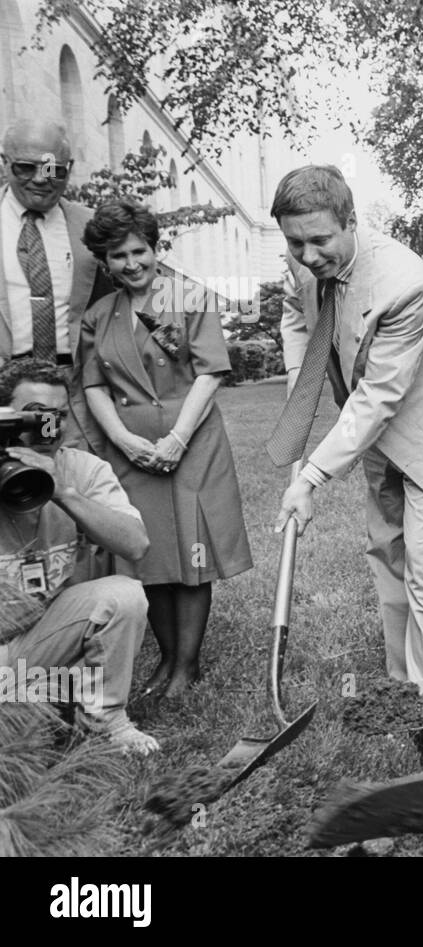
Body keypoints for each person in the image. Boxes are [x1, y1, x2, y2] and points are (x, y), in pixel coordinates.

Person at [267, 166, 423, 684]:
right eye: (296, 243)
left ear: (351, 222)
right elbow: (297, 319)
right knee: (388, 557)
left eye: (319, 240)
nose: (308, 255)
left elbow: (380, 396)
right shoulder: (305, 261)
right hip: (372, 435)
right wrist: (303, 392)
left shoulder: (402, 282)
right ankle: (402, 685)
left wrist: (311, 477)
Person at [79, 200, 253, 697]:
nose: (131, 263)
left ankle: (188, 665)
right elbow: (93, 386)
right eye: (118, 256)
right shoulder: (99, 315)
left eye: (139, 251)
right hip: (132, 447)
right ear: (104, 261)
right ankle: (167, 661)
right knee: (147, 553)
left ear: (155, 249)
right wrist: (122, 440)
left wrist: (177, 439)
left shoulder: (188, 296)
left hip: (190, 437)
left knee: (192, 554)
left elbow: (210, 372)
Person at [0, 358, 155, 751]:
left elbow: (135, 545)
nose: (48, 427)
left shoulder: (82, 469)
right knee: (21, 742)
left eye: (59, 416)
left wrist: (64, 492)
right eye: (34, 416)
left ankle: (105, 722)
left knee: (122, 594)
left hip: (38, 638)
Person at [0, 121, 114, 449]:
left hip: (68, 388)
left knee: (61, 468)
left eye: (53, 169)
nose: (40, 179)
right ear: (4, 163)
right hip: (7, 387)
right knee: (14, 482)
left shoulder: (91, 227)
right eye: (25, 167)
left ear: (68, 169)